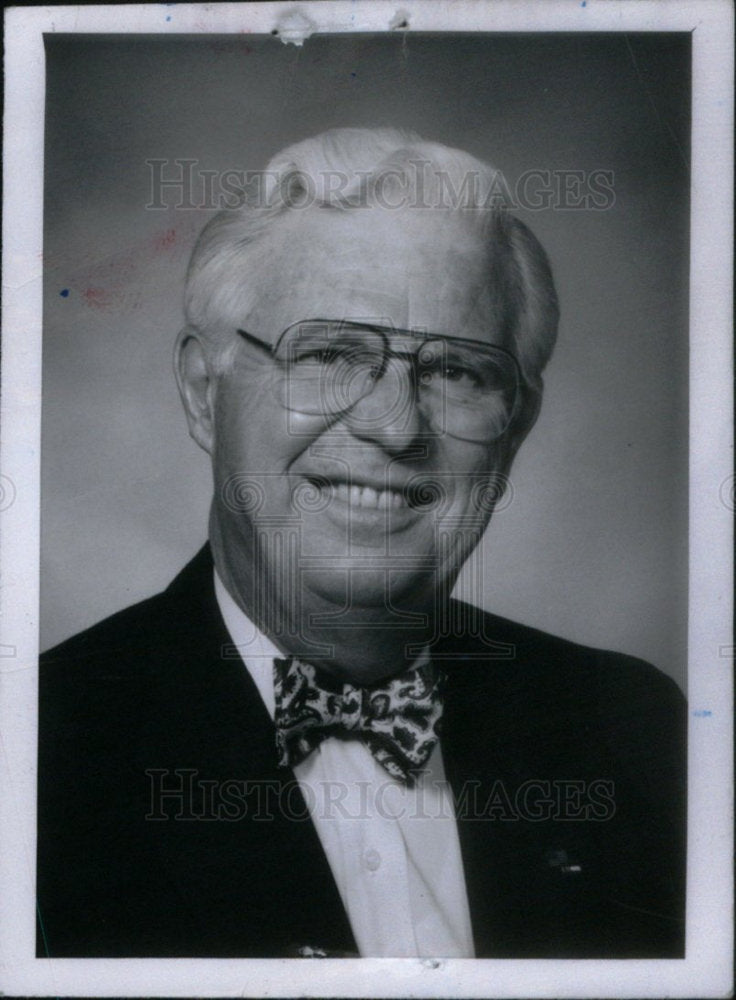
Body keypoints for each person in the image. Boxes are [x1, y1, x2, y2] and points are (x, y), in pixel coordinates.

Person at [37, 128, 686, 959]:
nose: (394, 425)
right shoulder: (36, 751)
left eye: (455, 371)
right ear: (205, 394)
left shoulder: (634, 729)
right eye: (331, 352)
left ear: (516, 426)